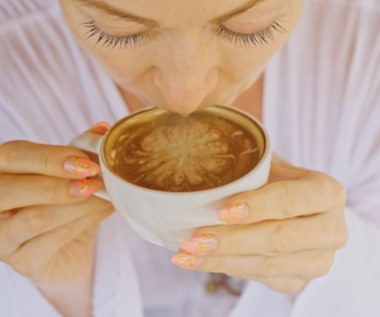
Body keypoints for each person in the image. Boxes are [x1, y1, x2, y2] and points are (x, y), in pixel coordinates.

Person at [0, 0, 379, 316]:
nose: (185, 97)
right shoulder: (11, 73)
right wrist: (60, 291)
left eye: (251, 28)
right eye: (116, 32)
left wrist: (328, 270)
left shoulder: (365, 59)